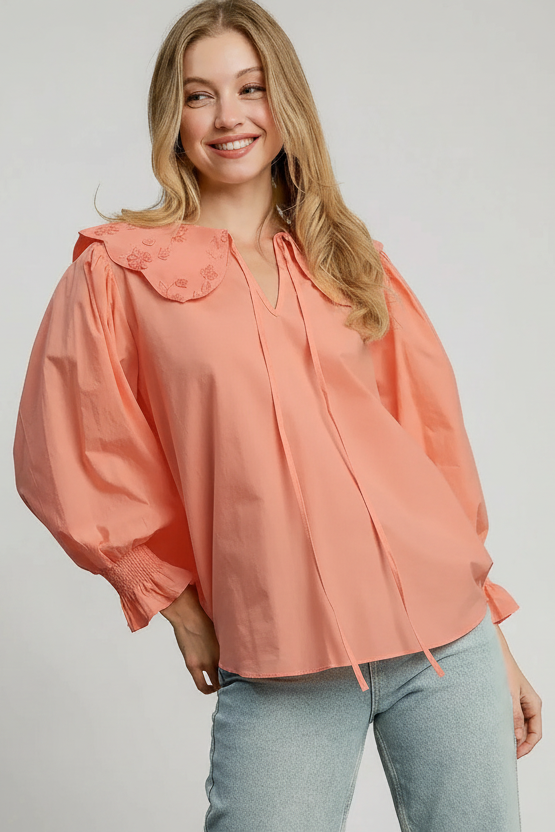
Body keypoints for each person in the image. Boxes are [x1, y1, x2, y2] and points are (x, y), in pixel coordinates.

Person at [13, 1, 542, 830]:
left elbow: (430, 449)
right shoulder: (119, 274)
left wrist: (493, 636)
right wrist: (176, 605)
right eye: (199, 95)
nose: (228, 116)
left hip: (446, 644)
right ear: (172, 116)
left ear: (283, 101)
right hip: (281, 661)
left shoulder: (347, 258)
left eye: (250, 88)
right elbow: (70, 452)